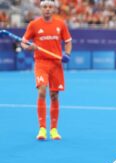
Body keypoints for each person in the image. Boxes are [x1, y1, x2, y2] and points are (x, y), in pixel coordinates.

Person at [21, 0, 72, 140]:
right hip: (41, 63)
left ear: (53, 9)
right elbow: (23, 43)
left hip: (56, 64)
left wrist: (67, 54)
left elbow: (68, 42)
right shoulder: (34, 24)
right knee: (42, 91)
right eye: (45, 7)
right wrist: (29, 47)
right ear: (41, 8)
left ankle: (54, 130)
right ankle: (42, 129)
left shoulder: (60, 24)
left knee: (54, 95)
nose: (47, 9)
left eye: (50, 7)